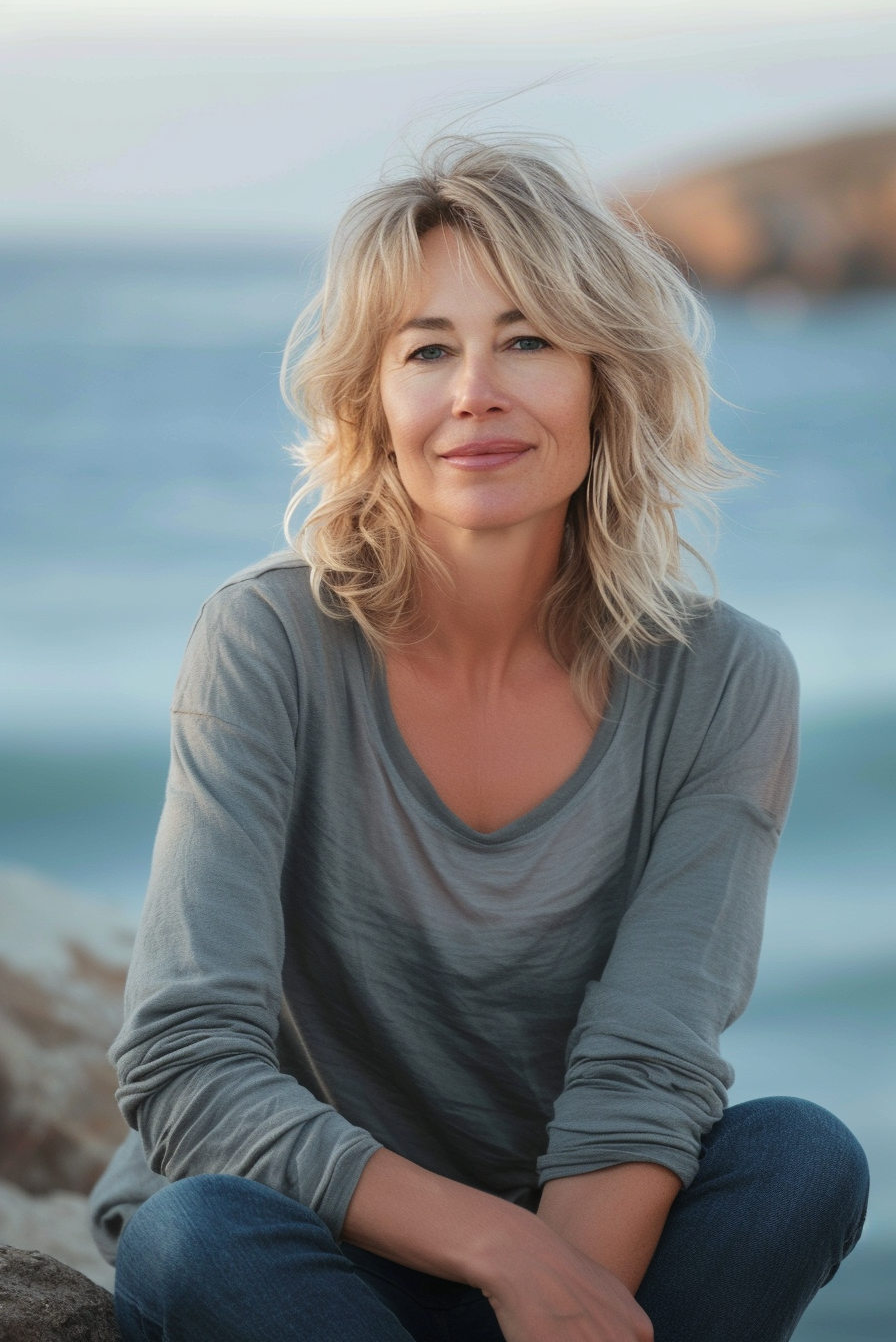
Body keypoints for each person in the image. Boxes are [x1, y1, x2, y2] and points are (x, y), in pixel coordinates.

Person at [90, 135, 868, 1342]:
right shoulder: (268, 641)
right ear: (372, 399)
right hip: (305, 1246)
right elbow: (187, 1060)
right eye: (428, 350)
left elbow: (648, 1064)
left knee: (799, 1160)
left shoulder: (723, 678)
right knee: (195, 1234)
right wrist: (491, 1247)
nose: (473, 392)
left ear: (606, 379)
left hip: (585, 1237)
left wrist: (546, 1274)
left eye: (526, 339)